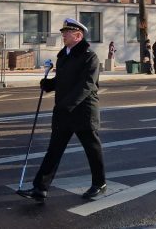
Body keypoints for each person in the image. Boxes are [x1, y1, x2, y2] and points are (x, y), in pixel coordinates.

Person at [17, 18, 106, 204]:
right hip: (64, 112)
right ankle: (40, 188)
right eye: (63, 32)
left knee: (92, 149)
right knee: (54, 151)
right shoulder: (64, 56)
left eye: (67, 32)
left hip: (83, 112)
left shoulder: (90, 57)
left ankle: (99, 183)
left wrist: (68, 104)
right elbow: (62, 80)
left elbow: (87, 85)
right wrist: (49, 84)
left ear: (78, 36)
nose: (63, 35)